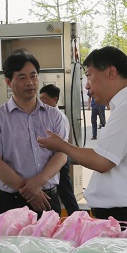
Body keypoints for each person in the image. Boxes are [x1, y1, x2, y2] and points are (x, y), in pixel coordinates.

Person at [37, 46, 127, 225]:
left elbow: (102, 161)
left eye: (89, 76)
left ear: (111, 72)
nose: (87, 85)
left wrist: (61, 146)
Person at [0, 51, 68, 217]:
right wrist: (29, 191)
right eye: (22, 77)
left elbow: (61, 154)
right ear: (9, 82)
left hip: (47, 200)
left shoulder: (54, 116)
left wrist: (38, 183)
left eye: (33, 76)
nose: (30, 82)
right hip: (10, 202)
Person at [39, 84, 80, 215]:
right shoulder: (44, 115)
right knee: (63, 191)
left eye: (44, 99)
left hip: (59, 160)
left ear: (55, 99)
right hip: (52, 161)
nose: (41, 102)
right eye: (40, 99)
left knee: (66, 192)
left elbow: (61, 144)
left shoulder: (58, 117)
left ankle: (76, 217)